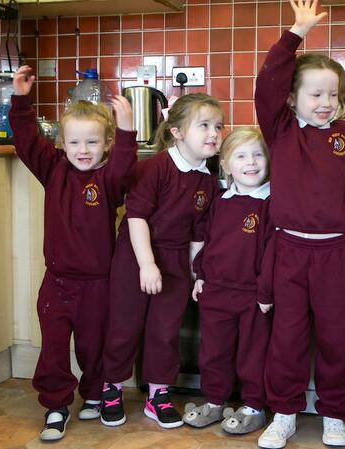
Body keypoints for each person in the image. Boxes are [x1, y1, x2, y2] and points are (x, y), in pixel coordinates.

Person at [254, 1, 345, 447]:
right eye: (315, 94)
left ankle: (334, 414)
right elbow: (266, 84)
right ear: (292, 98)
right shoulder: (281, 128)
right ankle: (283, 412)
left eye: (333, 95)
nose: (325, 104)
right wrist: (295, 34)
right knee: (287, 337)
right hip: (288, 252)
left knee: (340, 336)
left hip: (337, 253)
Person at [9, 65, 137, 442]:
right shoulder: (53, 170)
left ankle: (95, 393)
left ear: (107, 145)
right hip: (58, 282)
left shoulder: (108, 181)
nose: (83, 151)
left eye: (93, 143)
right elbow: (27, 141)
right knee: (52, 346)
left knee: (93, 345)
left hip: (99, 283)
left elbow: (126, 166)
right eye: (75, 143)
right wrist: (20, 100)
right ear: (62, 144)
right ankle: (55, 405)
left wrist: (128, 128)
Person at [98, 93, 223, 430]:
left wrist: (199, 272)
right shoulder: (153, 168)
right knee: (124, 327)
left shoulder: (207, 182)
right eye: (205, 126)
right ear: (178, 132)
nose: (214, 133)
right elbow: (136, 217)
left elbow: (199, 235)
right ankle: (111, 389)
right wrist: (147, 265)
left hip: (176, 261)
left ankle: (158, 394)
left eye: (218, 127)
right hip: (135, 256)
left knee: (165, 332)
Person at [184, 127, 274, 435]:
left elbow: (274, 254)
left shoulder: (271, 202)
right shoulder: (220, 201)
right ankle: (214, 400)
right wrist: (201, 274)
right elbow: (208, 241)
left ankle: (253, 406)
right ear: (226, 165)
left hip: (253, 296)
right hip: (216, 292)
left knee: (254, 353)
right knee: (213, 352)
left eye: (258, 154)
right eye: (241, 156)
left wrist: (266, 290)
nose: (251, 162)